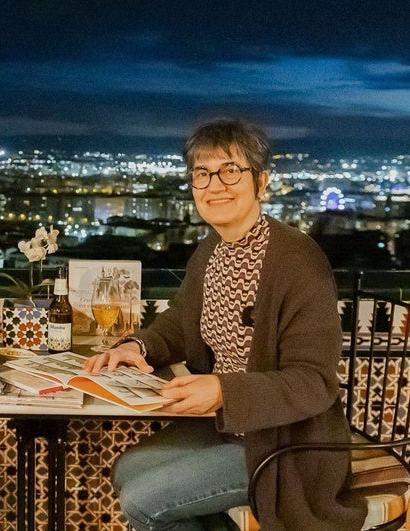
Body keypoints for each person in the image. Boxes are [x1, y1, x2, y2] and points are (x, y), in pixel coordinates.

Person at [84, 118, 367, 530]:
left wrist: (222, 391)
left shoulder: (297, 260)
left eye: (230, 170)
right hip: (230, 429)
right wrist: (136, 347)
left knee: (143, 501)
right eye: (202, 174)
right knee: (126, 469)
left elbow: (313, 383)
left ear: (262, 181)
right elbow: (183, 323)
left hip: (285, 444)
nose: (215, 185)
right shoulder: (211, 249)